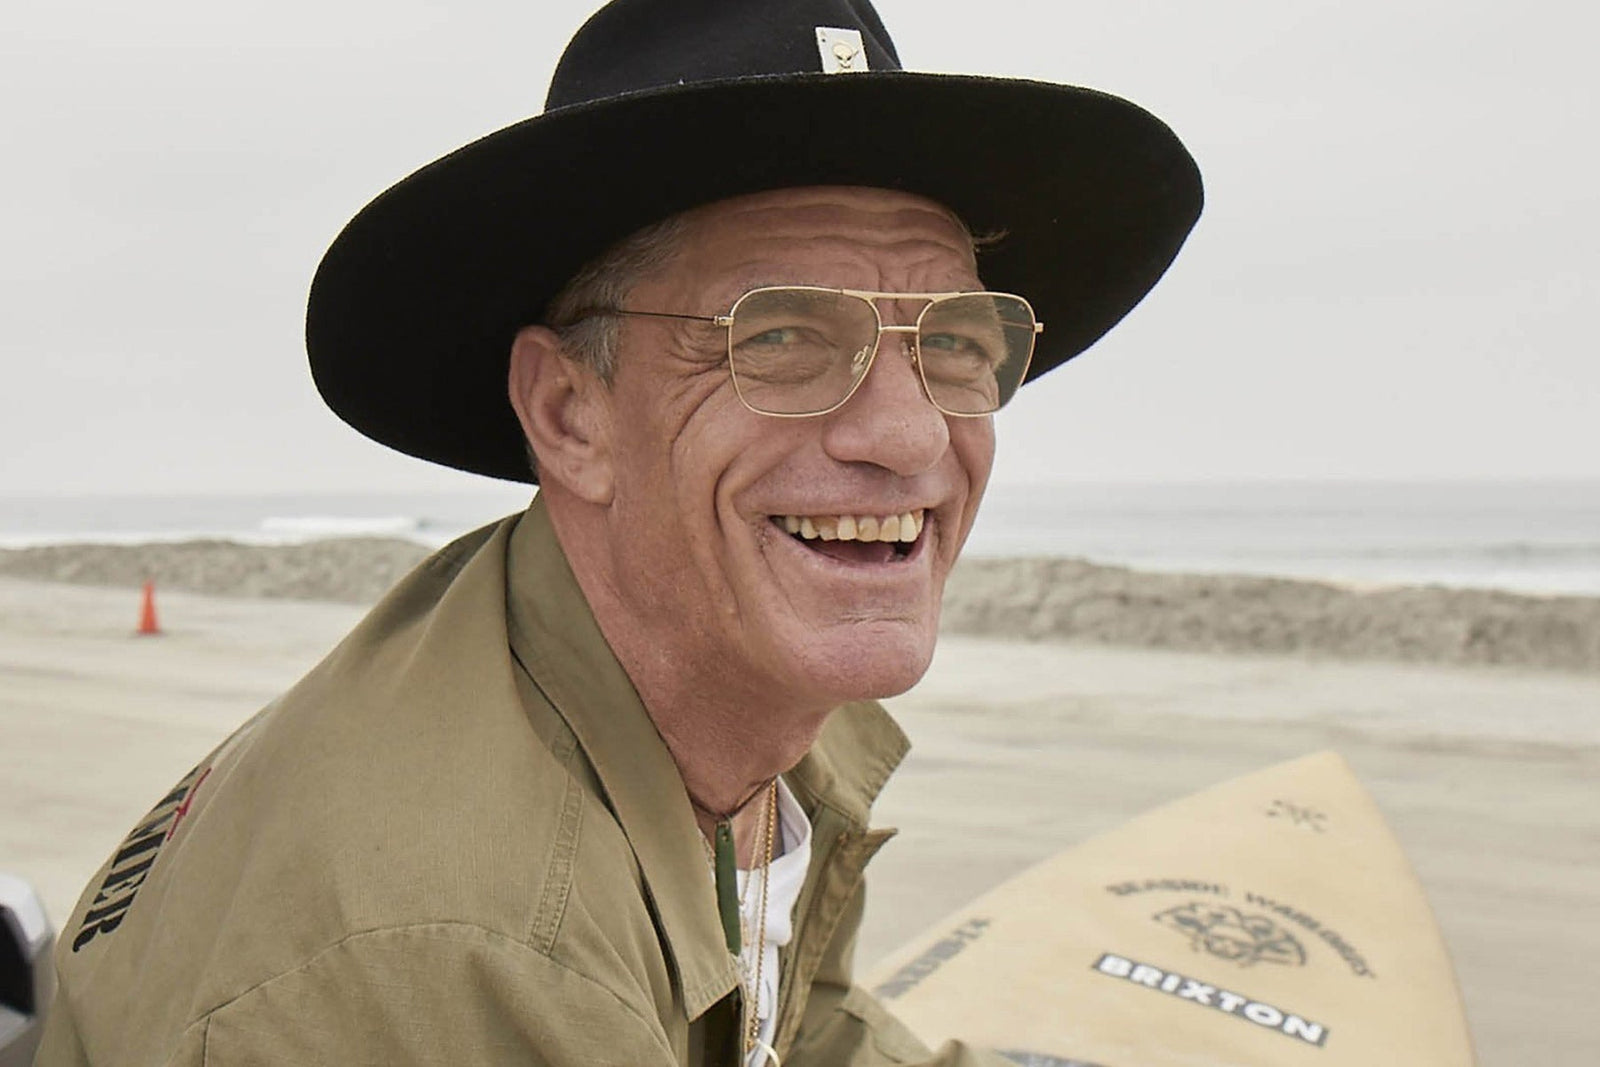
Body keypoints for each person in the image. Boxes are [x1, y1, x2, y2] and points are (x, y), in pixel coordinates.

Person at [35, 1, 1201, 1063]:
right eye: (780, 336)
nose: (907, 435)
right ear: (567, 412)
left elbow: (796, 1023)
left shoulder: (703, 676)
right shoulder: (467, 948)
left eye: (952, 339)